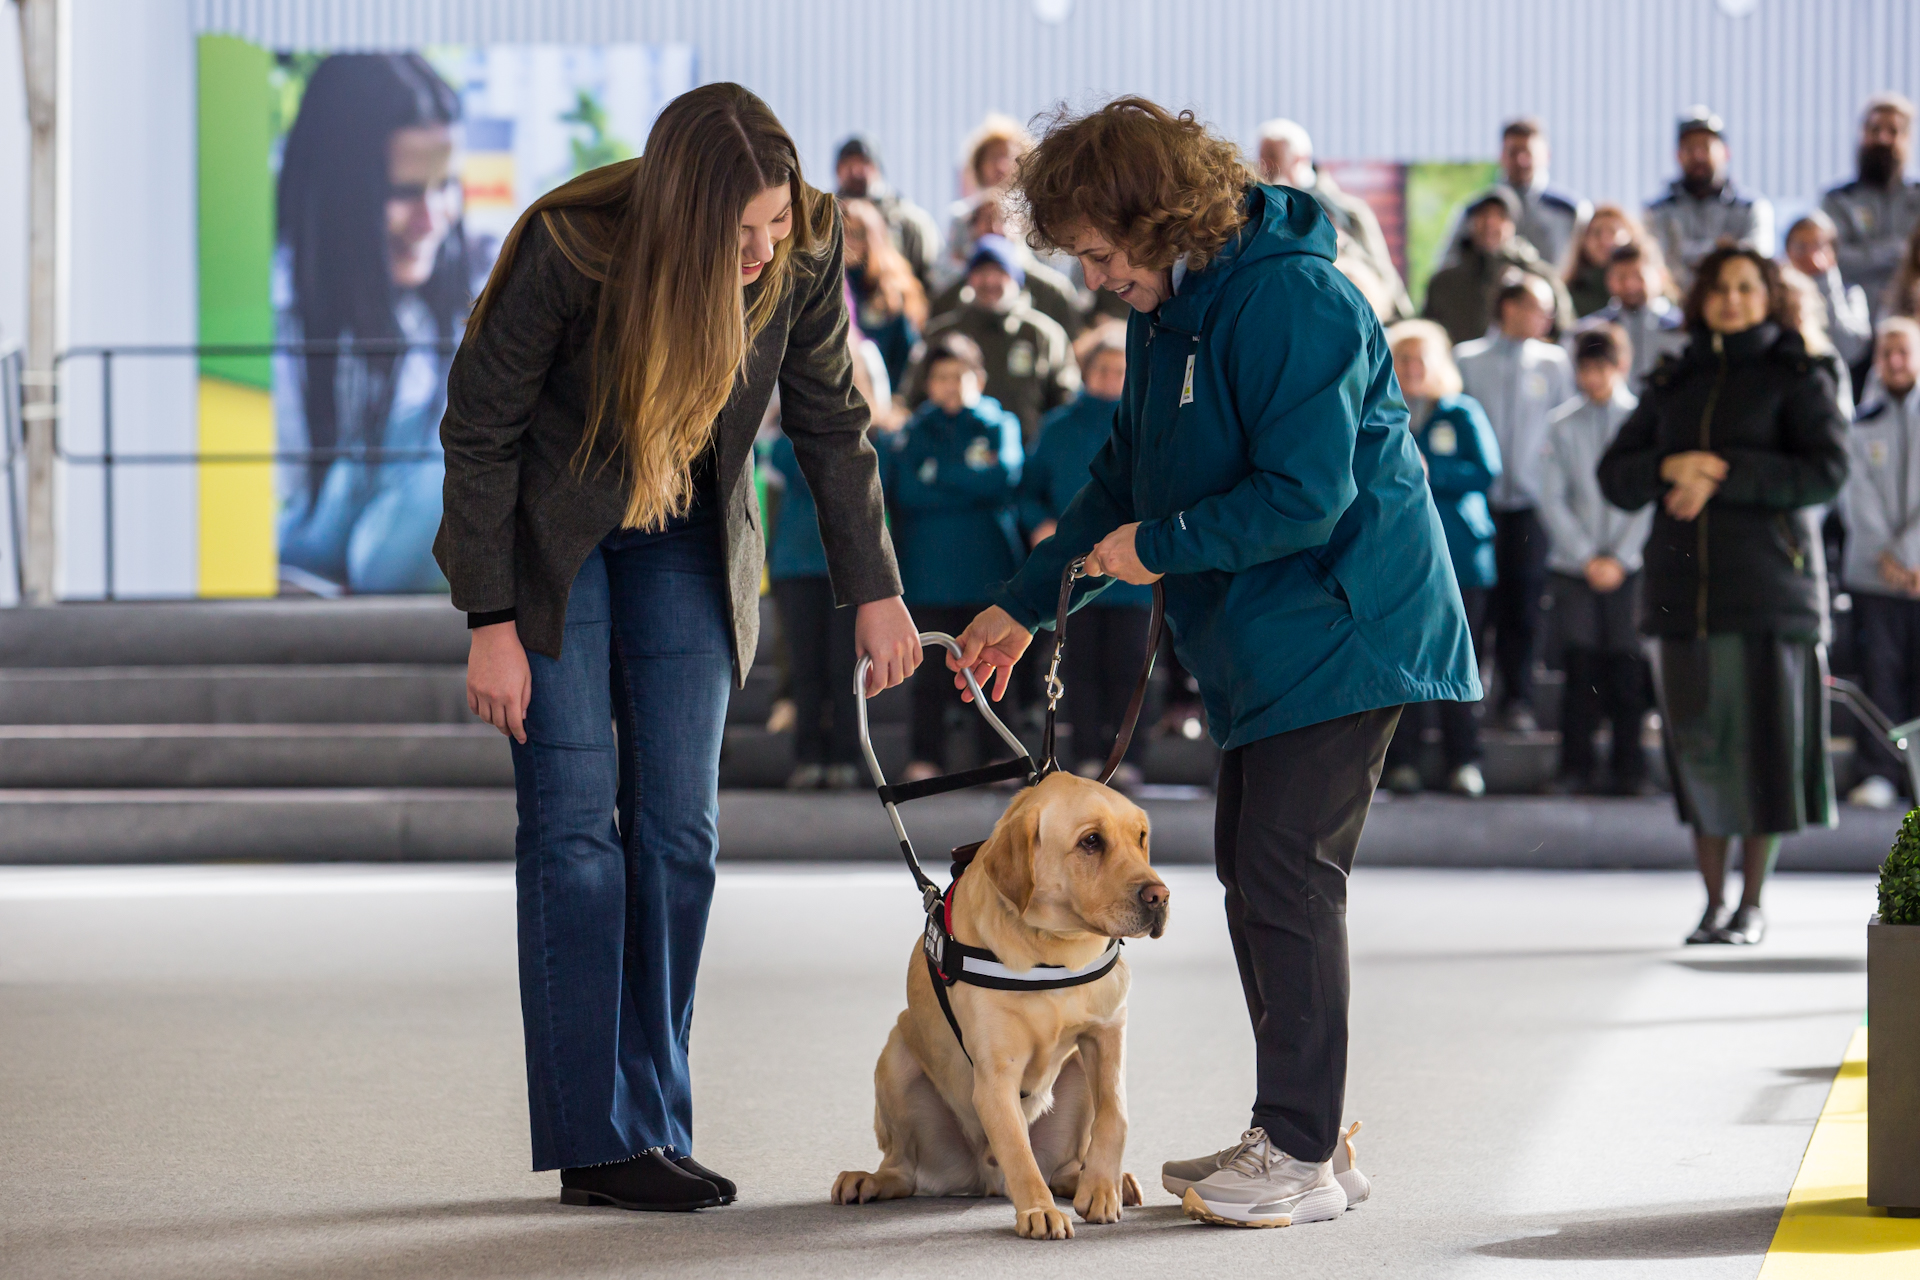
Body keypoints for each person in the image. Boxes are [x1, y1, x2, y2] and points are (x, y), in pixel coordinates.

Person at [948, 97, 1478, 1229]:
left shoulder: (1293, 296)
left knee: (1284, 879)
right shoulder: (1167, 314)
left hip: (1348, 628)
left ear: (1158, 216)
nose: (1094, 278)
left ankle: (1297, 1151)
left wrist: (1160, 549)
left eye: (1100, 252)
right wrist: (1022, 605)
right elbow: (1121, 481)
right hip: (1269, 641)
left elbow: (1306, 492)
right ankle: (1309, 1132)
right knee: (1257, 871)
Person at [437, 84, 921, 1211]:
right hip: (558, 537)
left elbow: (831, 418)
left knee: (680, 830)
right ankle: (593, 1138)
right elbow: (480, 429)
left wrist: (875, 589)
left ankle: (651, 1116)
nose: (760, 253)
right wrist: (489, 620)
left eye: (774, 227)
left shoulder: (803, 241)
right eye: (736, 233)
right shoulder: (570, 247)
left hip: (690, 530)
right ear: (679, 213)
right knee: (573, 831)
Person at [1598, 246, 1848, 948]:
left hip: (1772, 594)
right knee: (1700, 754)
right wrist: (1671, 465)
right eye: (1720, 288)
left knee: (1764, 756)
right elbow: (1615, 474)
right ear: (1701, 297)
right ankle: (1712, 905)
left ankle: (1752, 904)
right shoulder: (1676, 378)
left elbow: (1826, 471)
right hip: (1681, 598)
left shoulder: (1797, 373)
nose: (1732, 299)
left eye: (1746, 288)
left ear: (1769, 296)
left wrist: (1723, 474)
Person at [274, 53, 474, 596]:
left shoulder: (457, 299)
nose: (433, 218)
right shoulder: (275, 320)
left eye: (447, 184)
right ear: (340, 195)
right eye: (405, 191)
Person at [880, 332, 1027, 782]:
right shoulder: (915, 429)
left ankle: (999, 757)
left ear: (979, 377)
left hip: (989, 570)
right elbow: (907, 489)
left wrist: (939, 475)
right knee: (927, 677)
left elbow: (1002, 477)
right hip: (927, 572)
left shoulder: (998, 424)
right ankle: (926, 757)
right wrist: (966, 480)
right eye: (941, 376)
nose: (950, 384)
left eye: (959, 374)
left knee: (992, 665)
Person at [1018, 327, 1154, 788]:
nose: (1112, 378)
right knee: (1078, 667)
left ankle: (1127, 757)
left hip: (1132, 576)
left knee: (1129, 664)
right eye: (1103, 369)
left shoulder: (1147, 421)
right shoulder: (1058, 426)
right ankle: (1085, 756)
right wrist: (1041, 525)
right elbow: (1028, 490)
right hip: (1072, 573)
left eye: (1121, 370)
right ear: (1085, 371)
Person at [1380, 320, 1500, 798]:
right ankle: (1403, 761)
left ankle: (1465, 760)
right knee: (1405, 665)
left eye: (1419, 359)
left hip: (1462, 559)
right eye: (1402, 359)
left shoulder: (1461, 411)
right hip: (1401, 560)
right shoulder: (1382, 410)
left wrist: (1432, 471)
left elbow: (1486, 470)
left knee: (1460, 663)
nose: (1411, 369)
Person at [1456, 274, 1576, 730]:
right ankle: (1468, 698)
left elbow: (1563, 430)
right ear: (1508, 306)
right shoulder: (1466, 357)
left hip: (1531, 503)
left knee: (1523, 603)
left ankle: (1518, 699)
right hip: (1475, 502)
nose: (1545, 318)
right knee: (1475, 605)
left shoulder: (1555, 363)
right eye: (1535, 307)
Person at [1537, 326, 1654, 794]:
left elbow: (1648, 498)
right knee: (1580, 671)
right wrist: (1588, 555)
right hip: (1575, 567)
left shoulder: (1642, 422)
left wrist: (1621, 557)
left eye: (1602, 367)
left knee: (1629, 672)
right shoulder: (1561, 424)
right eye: (1586, 368)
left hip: (1630, 567)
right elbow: (1551, 497)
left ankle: (1631, 770)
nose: (1594, 377)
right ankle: (1575, 768)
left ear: (1621, 366)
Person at [1837, 318, 1920, 809]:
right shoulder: (1858, 424)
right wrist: (1889, 558)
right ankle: (1880, 771)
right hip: (1874, 576)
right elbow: (1855, 500)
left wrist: (1911, 556)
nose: (1894, 361)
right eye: (1886, 352)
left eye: (1904, 351)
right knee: (1880, 675)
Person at [762, 426, 865, 791]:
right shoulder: (783, 439)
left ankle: (846, 756)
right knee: (804, 667)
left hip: (847, 566)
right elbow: (807, 471)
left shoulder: (860, 430)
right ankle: (808, 756)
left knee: (844, 668)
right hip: (795, 565)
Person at [910, 234, 1079, 442]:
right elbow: (913, 396)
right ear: (969, 278)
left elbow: (1066, 400)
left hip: (1025, 456)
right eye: (981, 272)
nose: (989, 281)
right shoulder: (941, 334)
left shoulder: (1043, 335)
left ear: (1015, 278)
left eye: (999, 271)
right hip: (948, 457)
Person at [1254, 118, 1413, 320]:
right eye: (1261, 158)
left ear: (1301, 159)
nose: (1264, 166)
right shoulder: (1254, 211)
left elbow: (1382, 274)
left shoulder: (1346, 212)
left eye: (1273, 157)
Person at [1644, 106, 1775, 291]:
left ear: (1726, 152)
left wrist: (1688, 255)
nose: (1698, 155)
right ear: (1678, 155)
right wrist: (1722, 250)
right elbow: (1657, 266)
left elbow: (1757, 261)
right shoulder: (1656, 212)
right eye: (1689, 148)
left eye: (1706, 146)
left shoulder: (1752, 208)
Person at [1422, 189, 1575, 345]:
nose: (1490, 223)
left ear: (1514, 225)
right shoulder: (1445, 282)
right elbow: (1427, 333)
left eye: (1500, 216)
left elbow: (1564, 330)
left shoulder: (1541, 276)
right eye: (1483, 215)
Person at [929, 192, 1089, 339]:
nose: (994, 228)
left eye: (1004, 220)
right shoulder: (948, 299)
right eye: (985, 220)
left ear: (1020, 227)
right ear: (971, 229)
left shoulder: (1051, 293)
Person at [1819, 94, 1919, 326]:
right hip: (1851, 321)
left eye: (1892, 131)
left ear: (1907, 138)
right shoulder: (1837, 200)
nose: (1882, 138)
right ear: (1863, 134)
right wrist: (1901, 251)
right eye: (1874, 130)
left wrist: (1866, 255)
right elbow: (1834, 260)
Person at [833, 134, 943, 294]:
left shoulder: (908, 219)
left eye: (864, 163)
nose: (856, 171)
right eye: (848, 164)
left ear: (877, 168)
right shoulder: (824, 220)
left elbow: (930, 278)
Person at [839, 196, 927, 391]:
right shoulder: (825, 283)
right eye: (841, 232)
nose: (848, 241)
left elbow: (908, 352)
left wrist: (897, 399)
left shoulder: (893, 287)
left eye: (857, 234)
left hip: (884, 392)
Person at [941, 114, 1032, 286]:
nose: (1001, 166)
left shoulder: (1030, 217)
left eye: (1008, 157)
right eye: (993, 157)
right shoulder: (962, 216)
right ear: (979, 163)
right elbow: (943, 271)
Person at [1784, 211, 1875, 380]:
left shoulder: (1851, 294)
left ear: (1834, 252)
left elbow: (1849, 350)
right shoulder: (1777, 297)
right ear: (1788, 252)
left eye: (1819, 246)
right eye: (1801, 247)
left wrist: (1826, 283)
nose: (1811, 256)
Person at [1594, 242, 1687, 390]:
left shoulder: (1681, 327)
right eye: (1621, 277)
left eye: (1638, 275)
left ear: (1661, 275)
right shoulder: (1595, 330)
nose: (1629, 285)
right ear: (1608, 280)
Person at [1565, 205, 1639, 318]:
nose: (1604, 241)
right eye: (1596, 233)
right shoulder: (1571, 292)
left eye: (1612, 231)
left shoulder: (1646, 286)